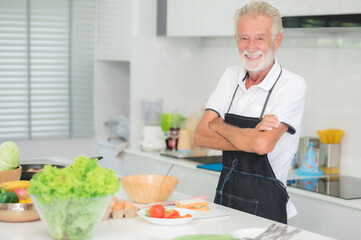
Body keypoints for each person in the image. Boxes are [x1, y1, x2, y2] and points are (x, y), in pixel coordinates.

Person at [193, 1, 306, 224]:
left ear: (277, 41)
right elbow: (199, 136)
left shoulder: (291, 84)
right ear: (237, 40)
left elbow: (262, 146)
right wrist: (252, 138)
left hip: (267, 208)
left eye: (260, 38)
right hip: (224, 202)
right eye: (244, 38)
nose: (250, 47)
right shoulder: (230, 76)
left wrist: (218, 125)